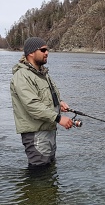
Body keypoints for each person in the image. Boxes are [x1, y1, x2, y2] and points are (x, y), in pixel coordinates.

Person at [10, 37, 73, 169]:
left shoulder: (43, 74)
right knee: (39, 177)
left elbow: (46, 97)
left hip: (49, 132)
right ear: (31, 53)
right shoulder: (22, 76)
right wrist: (59, 118)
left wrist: (59, 103)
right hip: (35, 135)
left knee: (48, 172)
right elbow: (32, 105)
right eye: (43, 50)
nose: (47, 53)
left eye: (47, 50)